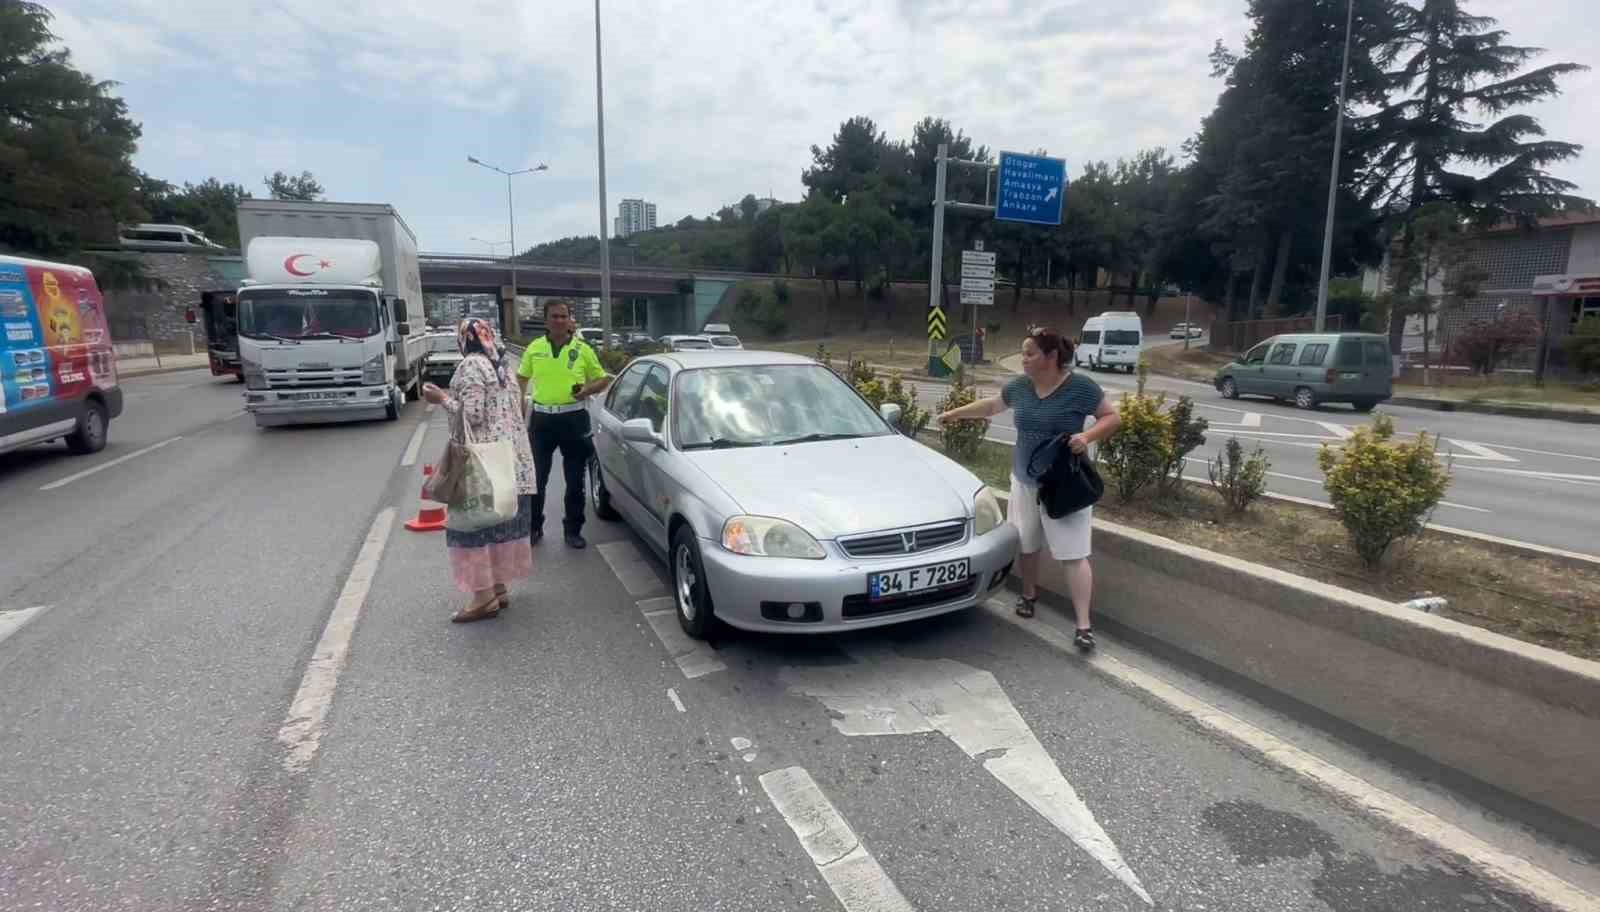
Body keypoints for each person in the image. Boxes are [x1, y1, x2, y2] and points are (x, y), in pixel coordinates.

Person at [937, 327, 1121, 651]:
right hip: (1024, 481)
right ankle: (1028, 595)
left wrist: (1086, 437)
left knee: (1074, 555)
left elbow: (1111, 417)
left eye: (1029, 353)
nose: (1023, 359)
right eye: (1023, 353)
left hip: (1064, 486)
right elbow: (993, 406)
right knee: (1027, 545)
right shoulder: (1021, 386)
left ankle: (1083, 625)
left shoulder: (1080, 387)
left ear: (1051, 357)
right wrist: (954, 414)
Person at [421, 319, 537, 623]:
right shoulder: (501, 365)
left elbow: (471, 415)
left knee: (470, 528)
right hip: (511, 461)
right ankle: (498, 588)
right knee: (497, 526)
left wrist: (441, 399)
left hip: (481, 465)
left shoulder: (472, 365)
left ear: (465, 340)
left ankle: (483, 598)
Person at [516, 300, 611, 549]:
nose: (559, 321)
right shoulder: (534, 348)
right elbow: (521, 378)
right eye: (554, 316)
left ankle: (573, 530)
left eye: (563, 316)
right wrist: (518, 407)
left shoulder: (583, 349)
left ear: (570, 320)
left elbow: (602, 380)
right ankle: (533, 527)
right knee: (536, 478)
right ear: (545, 320)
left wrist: (586, 390)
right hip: (542, 421)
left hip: (574, 420)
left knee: (574, 480)